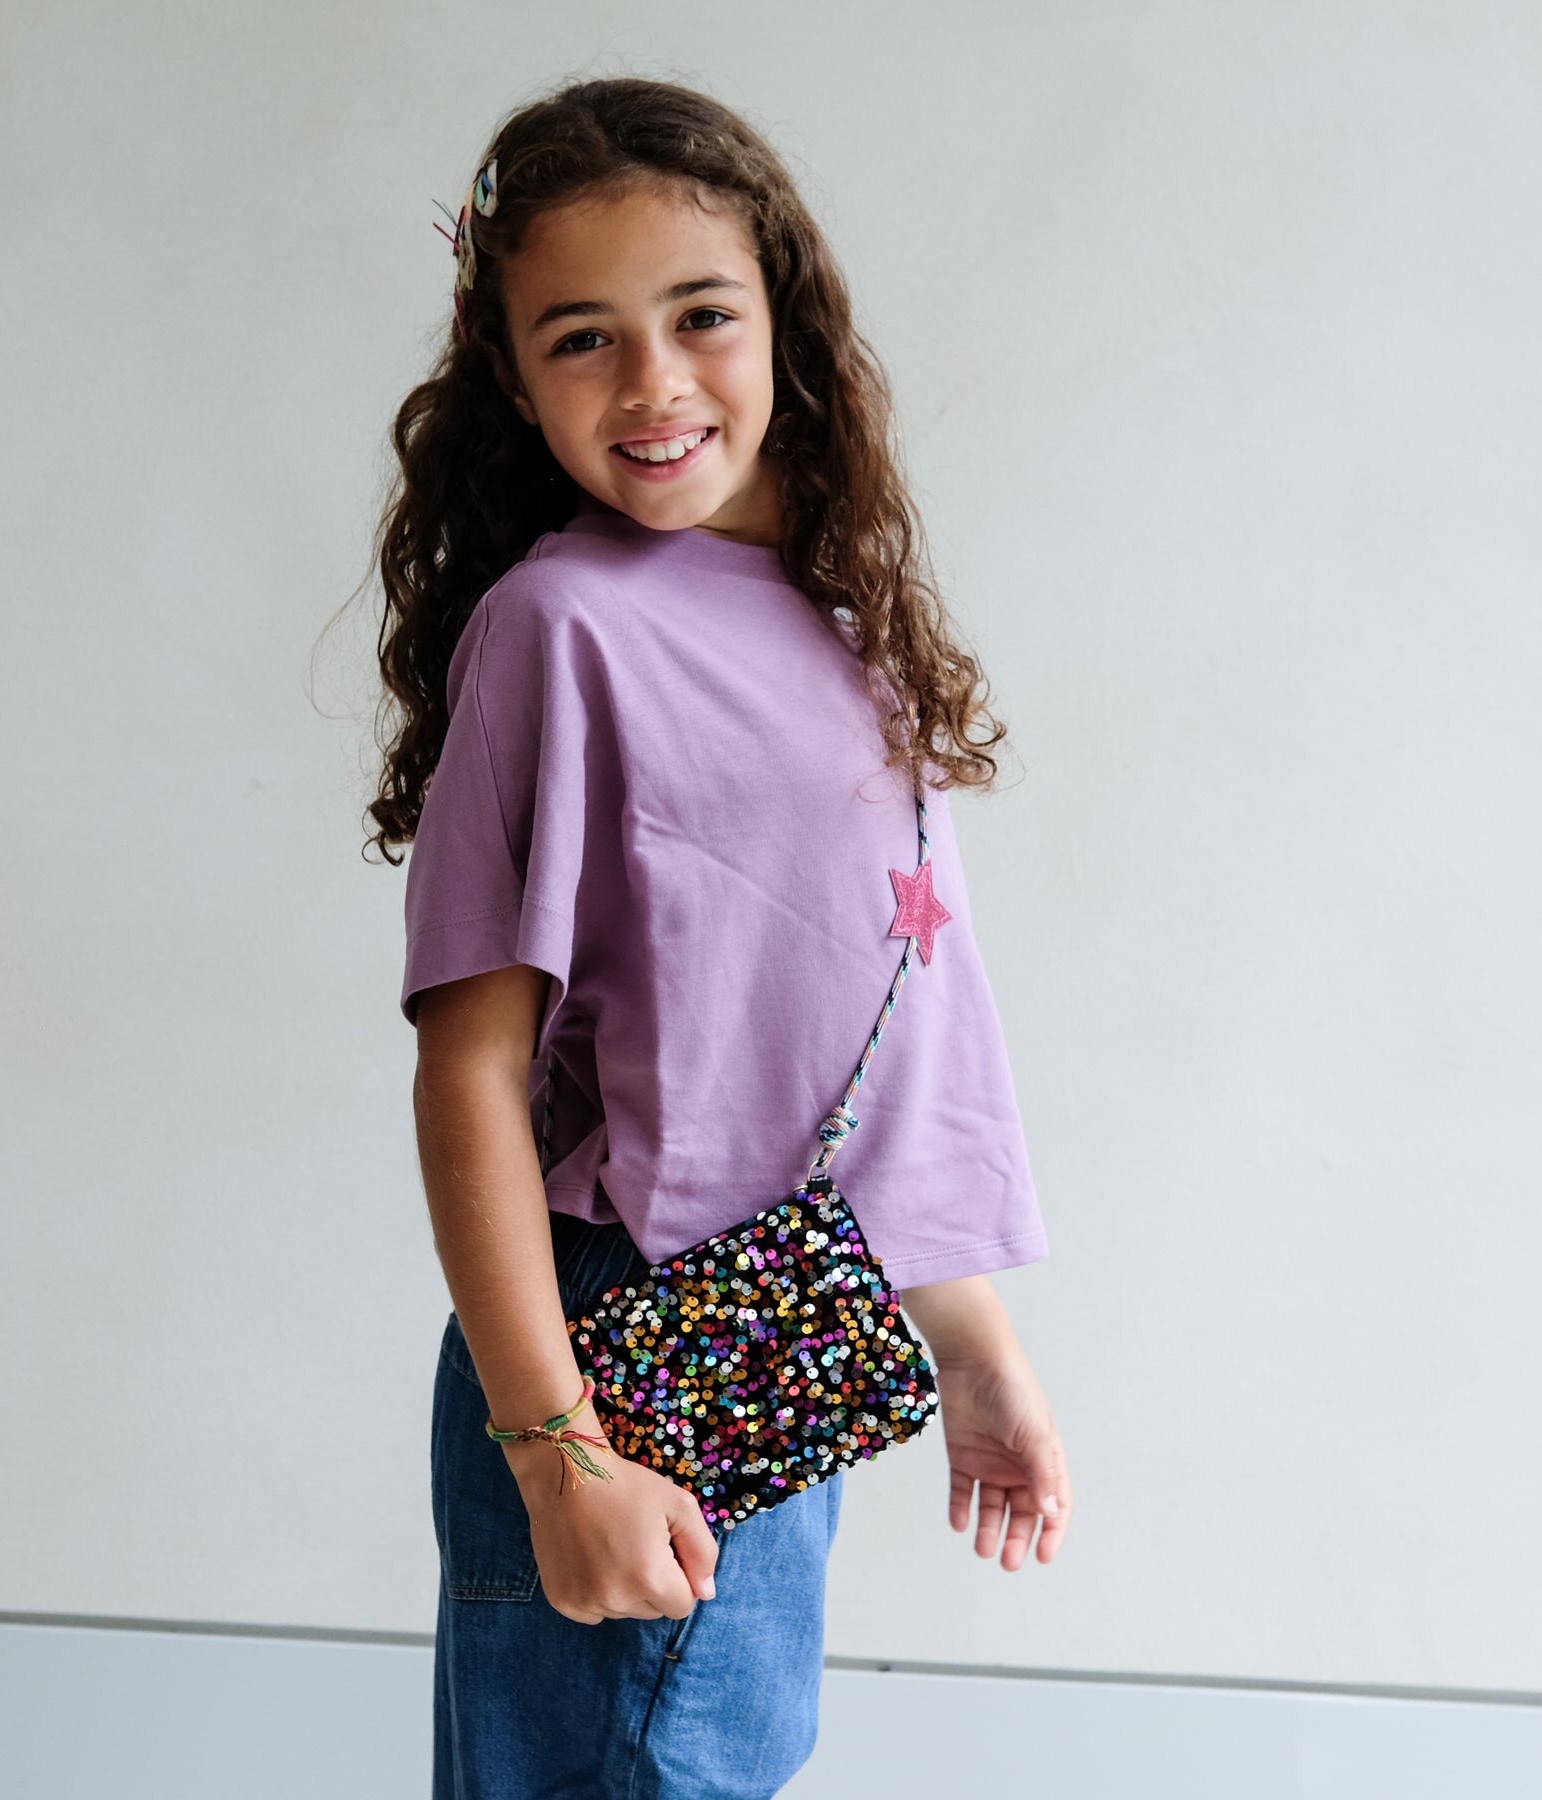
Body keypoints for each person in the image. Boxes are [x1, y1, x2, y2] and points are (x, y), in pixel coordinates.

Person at [362, 74, 1075, 1800]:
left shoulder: (846, 632)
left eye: (700, 315)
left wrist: (971, 1345)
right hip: (617, 1352)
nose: (655, 381)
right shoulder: (560, 629)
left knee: (696, 1765)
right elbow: (470, 1074)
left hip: (780, 1333)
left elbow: (848, 1060)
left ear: (785, 318)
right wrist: (557, 1455)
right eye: (582, 338)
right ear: (512, 380)